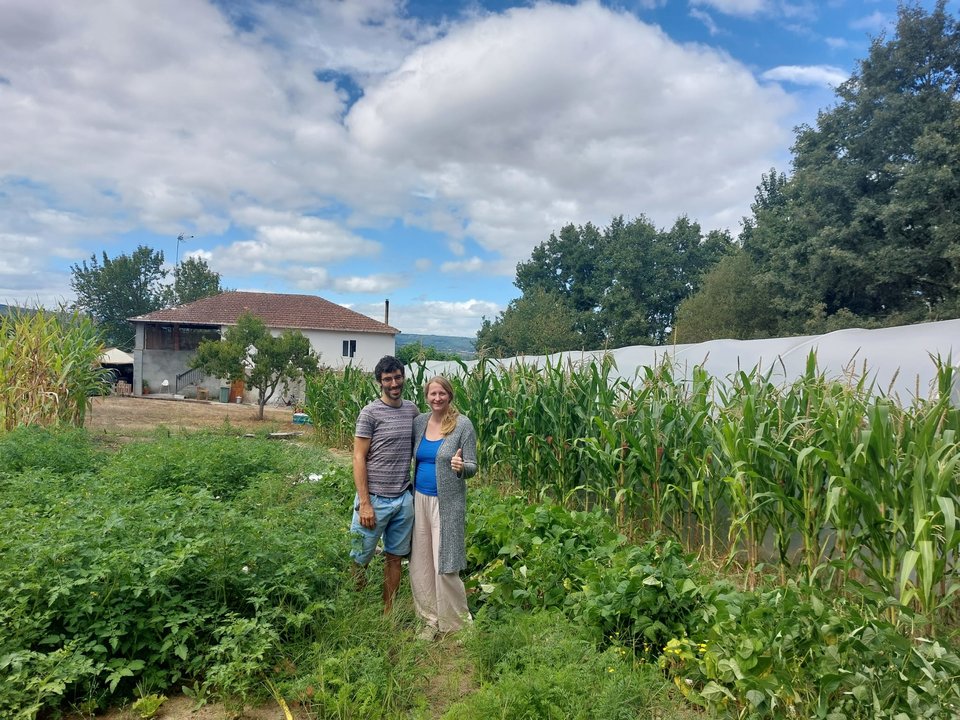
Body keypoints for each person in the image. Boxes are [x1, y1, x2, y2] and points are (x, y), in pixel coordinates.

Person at [410, 375, 478, 639]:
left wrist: (462, 468)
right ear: (426, 397)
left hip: (447, 503)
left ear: (450, 395)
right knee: (421, 561)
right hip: (419, 500)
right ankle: (428, 619)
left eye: (442, 394)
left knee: (445, 563)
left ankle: (456, 623)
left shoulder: (463, 425)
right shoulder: (419, 423)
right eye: (432, 394)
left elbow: (472, 465)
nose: (437, 398)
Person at [350, 355, 419, 612]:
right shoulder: (369, 413)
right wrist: (365, 503)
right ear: (379, 382)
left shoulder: (412, 410)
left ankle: (388, 612)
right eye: (388, 379)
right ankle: (355, 608)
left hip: (403, 499)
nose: (394, 383)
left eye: (397, 377)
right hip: (375, 499)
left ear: (403, 377)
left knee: (395, 558)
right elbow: (358, 457)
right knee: (360, 558)